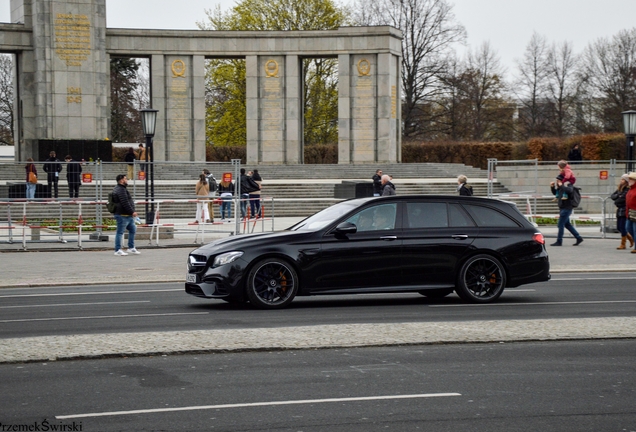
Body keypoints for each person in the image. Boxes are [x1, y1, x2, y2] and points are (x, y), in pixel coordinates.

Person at [550, 174, 583, 247]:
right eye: (557, 180)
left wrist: (562, 185)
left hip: (567, 208)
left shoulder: (568, 185)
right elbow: (556, 193)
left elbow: (569, 190)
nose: (557, 182)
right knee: (567, 224)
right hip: (562, 207)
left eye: (559, 180)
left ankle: (559, 241)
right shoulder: (561, 187)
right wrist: (552, 187)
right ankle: (578, 237)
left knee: (560, 224)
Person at [112, 174, 140, 256]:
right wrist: (132, 211)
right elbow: (125, 202)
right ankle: (117, 250)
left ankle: (131, 247)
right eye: (125, 179)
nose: (126, 180)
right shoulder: (120, 190)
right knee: (120, 232)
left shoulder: (121, 189)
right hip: (122, 214)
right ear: (121, 180)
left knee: (132, 230)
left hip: (127, 214)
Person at [611, 174, 633, 250]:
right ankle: (630, 238)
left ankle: (623, 244)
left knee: (623, 227)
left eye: (623, 179)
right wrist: (618, 196)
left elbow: (622, 199)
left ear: (626, 181)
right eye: (621, 179)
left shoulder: (627, 189)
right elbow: (612, 196)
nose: (621, 181)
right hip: (619, 209)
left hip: (624, 209)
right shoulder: (620, 188)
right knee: (619, 227)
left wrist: (618, 198)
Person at [625, 172, 636, 254]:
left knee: (635, 230)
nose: (629, 180)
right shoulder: (630, 189)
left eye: (631, 179)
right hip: (630, 212)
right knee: (628, 228)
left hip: (635, 211)